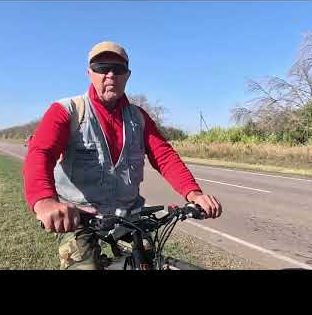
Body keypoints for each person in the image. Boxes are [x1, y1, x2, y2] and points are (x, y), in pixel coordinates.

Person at [23, 41, 222, 270]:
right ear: (90, 73)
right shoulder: (67, 110)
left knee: (148, 258)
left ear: (127, 75)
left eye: (117, 69)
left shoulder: (139, 118)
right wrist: (45, 201)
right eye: (101, 68)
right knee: (85, 266)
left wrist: (194, 194)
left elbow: (164, 156)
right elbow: (41, 153)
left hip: (129, 215)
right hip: (80, 217)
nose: (110, 75)